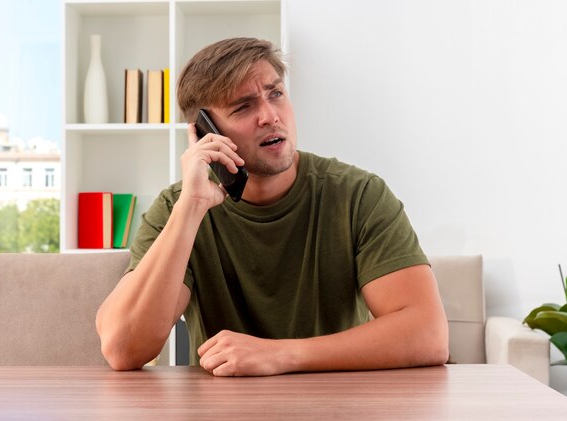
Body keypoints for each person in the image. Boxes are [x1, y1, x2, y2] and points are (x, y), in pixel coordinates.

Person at [96, 37, 449, 376]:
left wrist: (280, 354)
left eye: (276, 93)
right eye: (243, 106)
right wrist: (191, 208)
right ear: (207, 133)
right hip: (224, 408)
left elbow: (429, 336)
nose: (269, 115)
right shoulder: (179, 208)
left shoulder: (358, 195)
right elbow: (124, 349)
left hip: (339, 402)